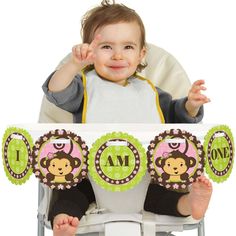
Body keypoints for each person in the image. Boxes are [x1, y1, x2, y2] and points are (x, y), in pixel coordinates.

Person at [42, 1, 212, 236]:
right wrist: (74, 65)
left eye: (128, 47)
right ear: (90, 50)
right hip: (91, 179)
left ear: (142, 53)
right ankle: (64, 221)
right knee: (68, 192)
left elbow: (177, 120)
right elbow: (56, 92)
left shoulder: (152, 92)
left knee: (166, 194)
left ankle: (190, 202)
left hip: (145, 179)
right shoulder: (83, 88)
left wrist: (190, 105)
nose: (118, 55)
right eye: (106, 47)